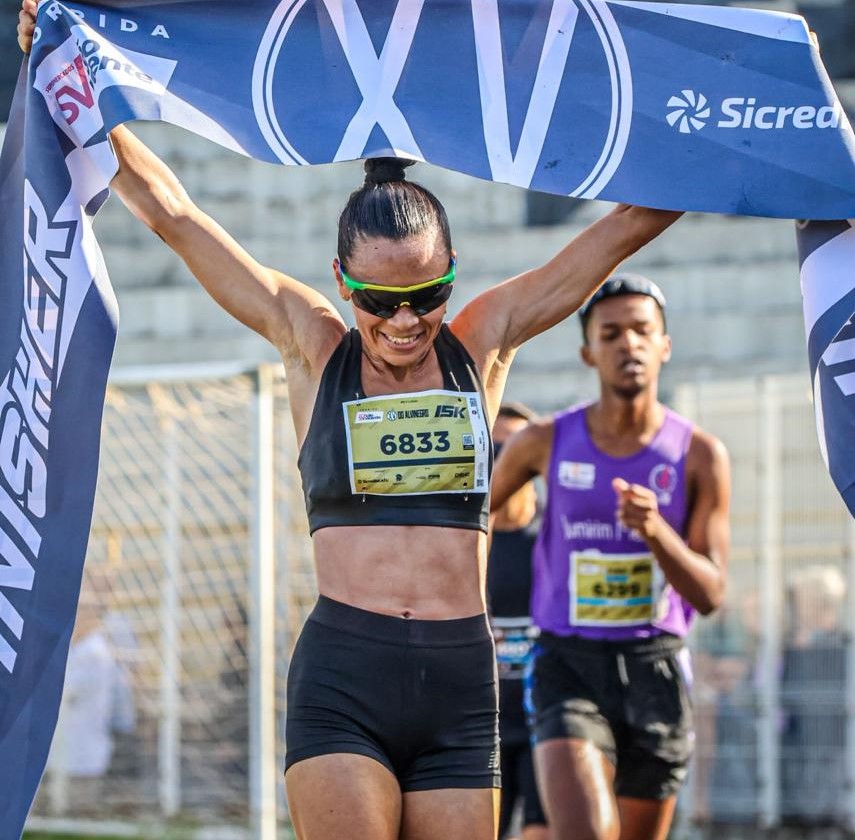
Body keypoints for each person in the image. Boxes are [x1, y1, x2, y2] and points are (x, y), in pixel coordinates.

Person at [18, 6, 681, 837]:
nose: (404, 321)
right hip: (345, 678)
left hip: (459, 689)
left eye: (426, 296)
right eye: (378, 300)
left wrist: (752, 119)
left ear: (452, 278)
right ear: (341, 281)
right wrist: (75, 84)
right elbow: (176, 216)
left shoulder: (480, 345)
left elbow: (621, 229)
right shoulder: (311, 344)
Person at [491, 274, 731, 840]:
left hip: (657, 665)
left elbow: (712, 592)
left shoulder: (699, 455)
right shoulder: (544, 442)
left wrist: (656, 533)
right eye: (612, 333)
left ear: (665, 344)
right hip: (568, 664)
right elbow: (468, 523)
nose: (630, 344)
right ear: (587, 351)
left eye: (643, 331)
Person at [487, 404, 547, 840]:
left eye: (516, 448)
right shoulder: (462, 541)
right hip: (480, 724)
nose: (505, 458)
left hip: (544, 718)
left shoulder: (556, 534)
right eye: (495, 447)